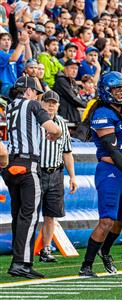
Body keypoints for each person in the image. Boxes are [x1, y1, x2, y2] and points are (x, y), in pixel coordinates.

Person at [79, 71, 122, 277]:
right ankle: (86, 266)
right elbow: (112, 150)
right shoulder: (102, 114)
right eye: (117, 89)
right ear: (107, 91)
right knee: (106, 220)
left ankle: (105, 251)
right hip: (111, 171)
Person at [4, 76, 62, 279]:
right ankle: (21, 262)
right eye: (36, 92)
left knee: (18, 215)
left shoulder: (10, 107)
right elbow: (54, 129)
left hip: (10, 164)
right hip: (29, 165)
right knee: (29, 216)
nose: (37, 96)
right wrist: (55, 134)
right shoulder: (32, 105)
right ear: (29, 91)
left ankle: (18, 259)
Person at [38, 90, 78, 263]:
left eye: (54, 103)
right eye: (48, 102)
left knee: (50, 214)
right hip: (37, 172)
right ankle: (23, 251)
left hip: (55, 172)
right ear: (42, 103)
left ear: (58, 105)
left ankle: (46, 249)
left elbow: (67, 152)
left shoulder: (62, 123)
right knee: (30, 213)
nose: (51, 105)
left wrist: (73, 176)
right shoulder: (35, 121)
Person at [53, 59, 85, 124]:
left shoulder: (72, 82)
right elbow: (73, 98)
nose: (74, 71)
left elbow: (78, 96)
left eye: (76, 68)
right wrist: (88, 105)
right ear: (65, 69)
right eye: (72, 68)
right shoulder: (61, 81)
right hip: (65, 117)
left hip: (72, 116)